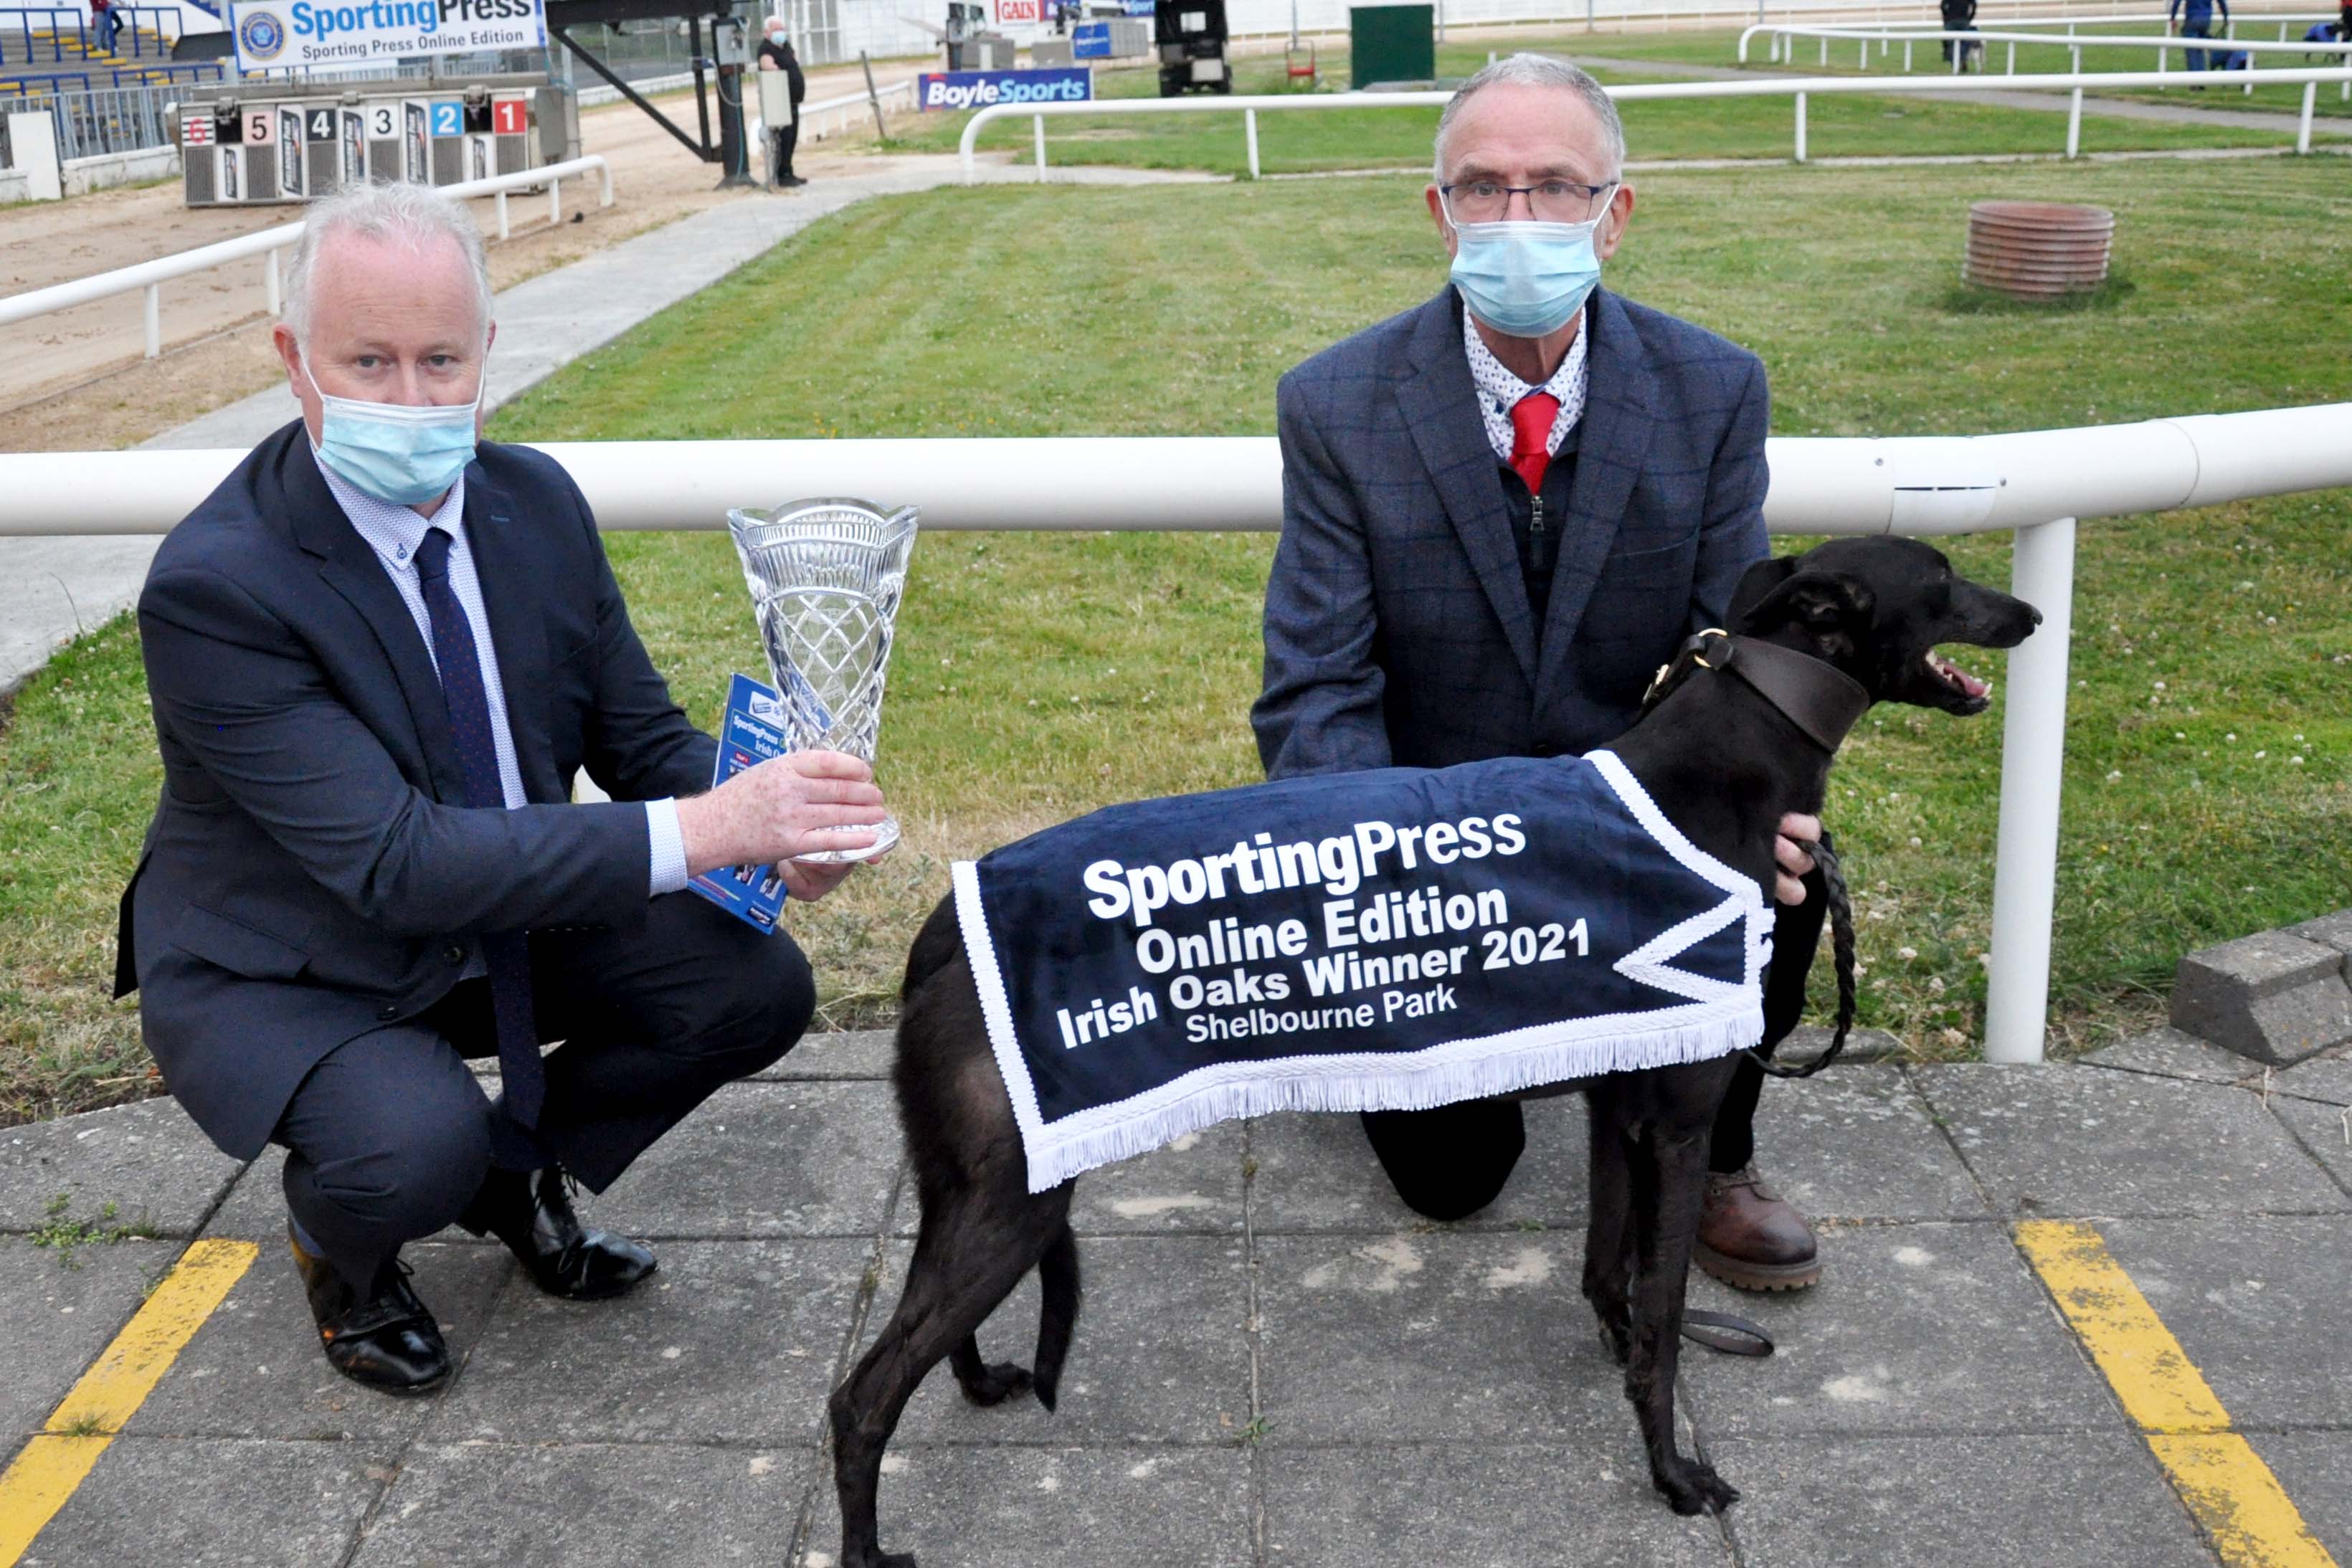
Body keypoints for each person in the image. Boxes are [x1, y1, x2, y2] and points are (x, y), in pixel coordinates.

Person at [115, 182, 891, 1394]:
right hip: (297, 953)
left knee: (751, 983)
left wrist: (777, 822)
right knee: (402, 1144)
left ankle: (515, 1170)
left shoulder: (535, 503)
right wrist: (712, 825)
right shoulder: (220, 586)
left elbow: (641, 738)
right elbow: (396, 863)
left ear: (487, 352)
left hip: (492, 919)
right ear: (292, 360)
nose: (412, 398)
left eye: (439, 359)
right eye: (367, 360)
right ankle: (347, 1249)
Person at [1253, 53, 1830, 1293]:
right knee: (1454, 1181)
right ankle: (1458, 1052)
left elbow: (1733, 654)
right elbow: (1317, 684)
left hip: (1629, 817)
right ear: (1439, 211)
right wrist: (1369, 860)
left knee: (1783, 869)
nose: (1520, 219)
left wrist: (1726, 817)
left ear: (1614, 214)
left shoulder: (1714, 388)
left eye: (1556, 187)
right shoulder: (1336, 403)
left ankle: (1712, 1145)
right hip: (1432, 841)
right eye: (1485, 187)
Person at [757, 16, 809, 189]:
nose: (780, 33)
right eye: (776, 30)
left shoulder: (786, 47)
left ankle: (789, 170)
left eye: (782, 29)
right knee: (784, 138)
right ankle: (782, 174)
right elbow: (768, 67)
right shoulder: (766, 49)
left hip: (793, 100)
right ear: (767, 32)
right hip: (780, 102)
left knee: (792, 137)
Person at [2170, 0, 2229, 78]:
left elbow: (2177, 2)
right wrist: (2225, 16)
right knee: (2200, 50)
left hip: (2192, 18)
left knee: (2191, 51)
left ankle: (2194, 80)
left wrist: (2173, 17)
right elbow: (2221, 2)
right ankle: (2202, 78)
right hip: (2206, 19)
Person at [1939, 0, 1978, 70]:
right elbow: (1974, 5)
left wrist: (1946, 17)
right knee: (1964, 42)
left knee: (1950, 43)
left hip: (1951, 21)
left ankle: (1954, 62)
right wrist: (1970, 18)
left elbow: (1942, 6)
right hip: (1964, 21)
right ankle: (1962, 59)